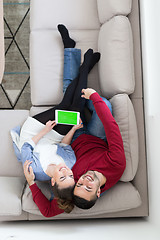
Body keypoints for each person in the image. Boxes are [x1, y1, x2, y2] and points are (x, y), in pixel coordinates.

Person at [23, 25, 126, 217]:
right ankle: (86, 76)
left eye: (79, 184)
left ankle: (73, 52)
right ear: (98, 192)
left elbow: (47, 211)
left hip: (73, 135)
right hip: (97, 136)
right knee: (104, 105)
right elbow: (112, 128)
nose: (84, 181)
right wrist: (94, 96)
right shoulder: (117, 166)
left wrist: (31, 183)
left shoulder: (72, 187)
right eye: (88, 187)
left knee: (70, 96)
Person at [11, 25, 101, 214]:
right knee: (73, 108)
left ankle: (85, 66)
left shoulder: (35, 171)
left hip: (35, 132)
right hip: (55, 136)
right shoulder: (69, 164)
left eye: (62, 176)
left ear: (53, 181)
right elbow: (65, 146)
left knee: (68, 106)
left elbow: (26, 146)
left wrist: (44, 130)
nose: (65, 171)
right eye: (70, 175)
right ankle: (84, 66)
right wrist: (73, 129)